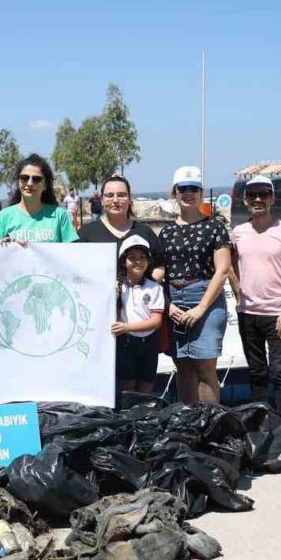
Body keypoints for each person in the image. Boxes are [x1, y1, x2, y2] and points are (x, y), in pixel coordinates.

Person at [230, 175, 281, 420]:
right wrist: (238, 288)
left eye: (263, 194)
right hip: (248, 313)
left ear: (272, 198)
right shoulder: (238, 232)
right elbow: (231, 264)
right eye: (252, 195)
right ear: (245, 199)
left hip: (277, 314)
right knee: (256, 370)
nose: (258, 199)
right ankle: (260, 418)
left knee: (279, 370)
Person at [159, 166, 232, 404]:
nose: (188, 193)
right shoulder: (166, 232)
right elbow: (159, 274)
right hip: (174, 301)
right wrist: (168, 307)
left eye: (193, 188)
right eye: (183, 189)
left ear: (201, 193)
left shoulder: (215, 227)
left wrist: (201, 308)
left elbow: (222, 271)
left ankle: (210, 427)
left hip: (206, 299)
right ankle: (188, 425)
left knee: (205, 368)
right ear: (175, 193)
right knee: (183, 368)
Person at [76, 174, 165, 280]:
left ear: (129, 200)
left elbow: (159, 267)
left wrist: (144, 289)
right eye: (109, 195)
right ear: (102, 200)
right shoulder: (86, 233)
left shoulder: (145, 232)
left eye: (121, 195)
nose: (115, 200)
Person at [111, 236, 165, 395]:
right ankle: (127, 418)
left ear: (148, 262)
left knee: (146, 386)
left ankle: (143, 418)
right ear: (123, 262)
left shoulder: (154, 288)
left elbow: (156, 321)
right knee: (127, 387)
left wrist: (126, 327)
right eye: (132, 258)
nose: (138, 262)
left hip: (148, 343)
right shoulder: (115, 286)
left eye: (142, 258)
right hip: (125, 342)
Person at [0, 154, 78, 244]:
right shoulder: (4, 216)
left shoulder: (60, 216)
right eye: (24, 178)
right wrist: (8, 244)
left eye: (36, 179)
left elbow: (71, 254)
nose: (30, 183)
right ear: (18, 182)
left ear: (45, 185)